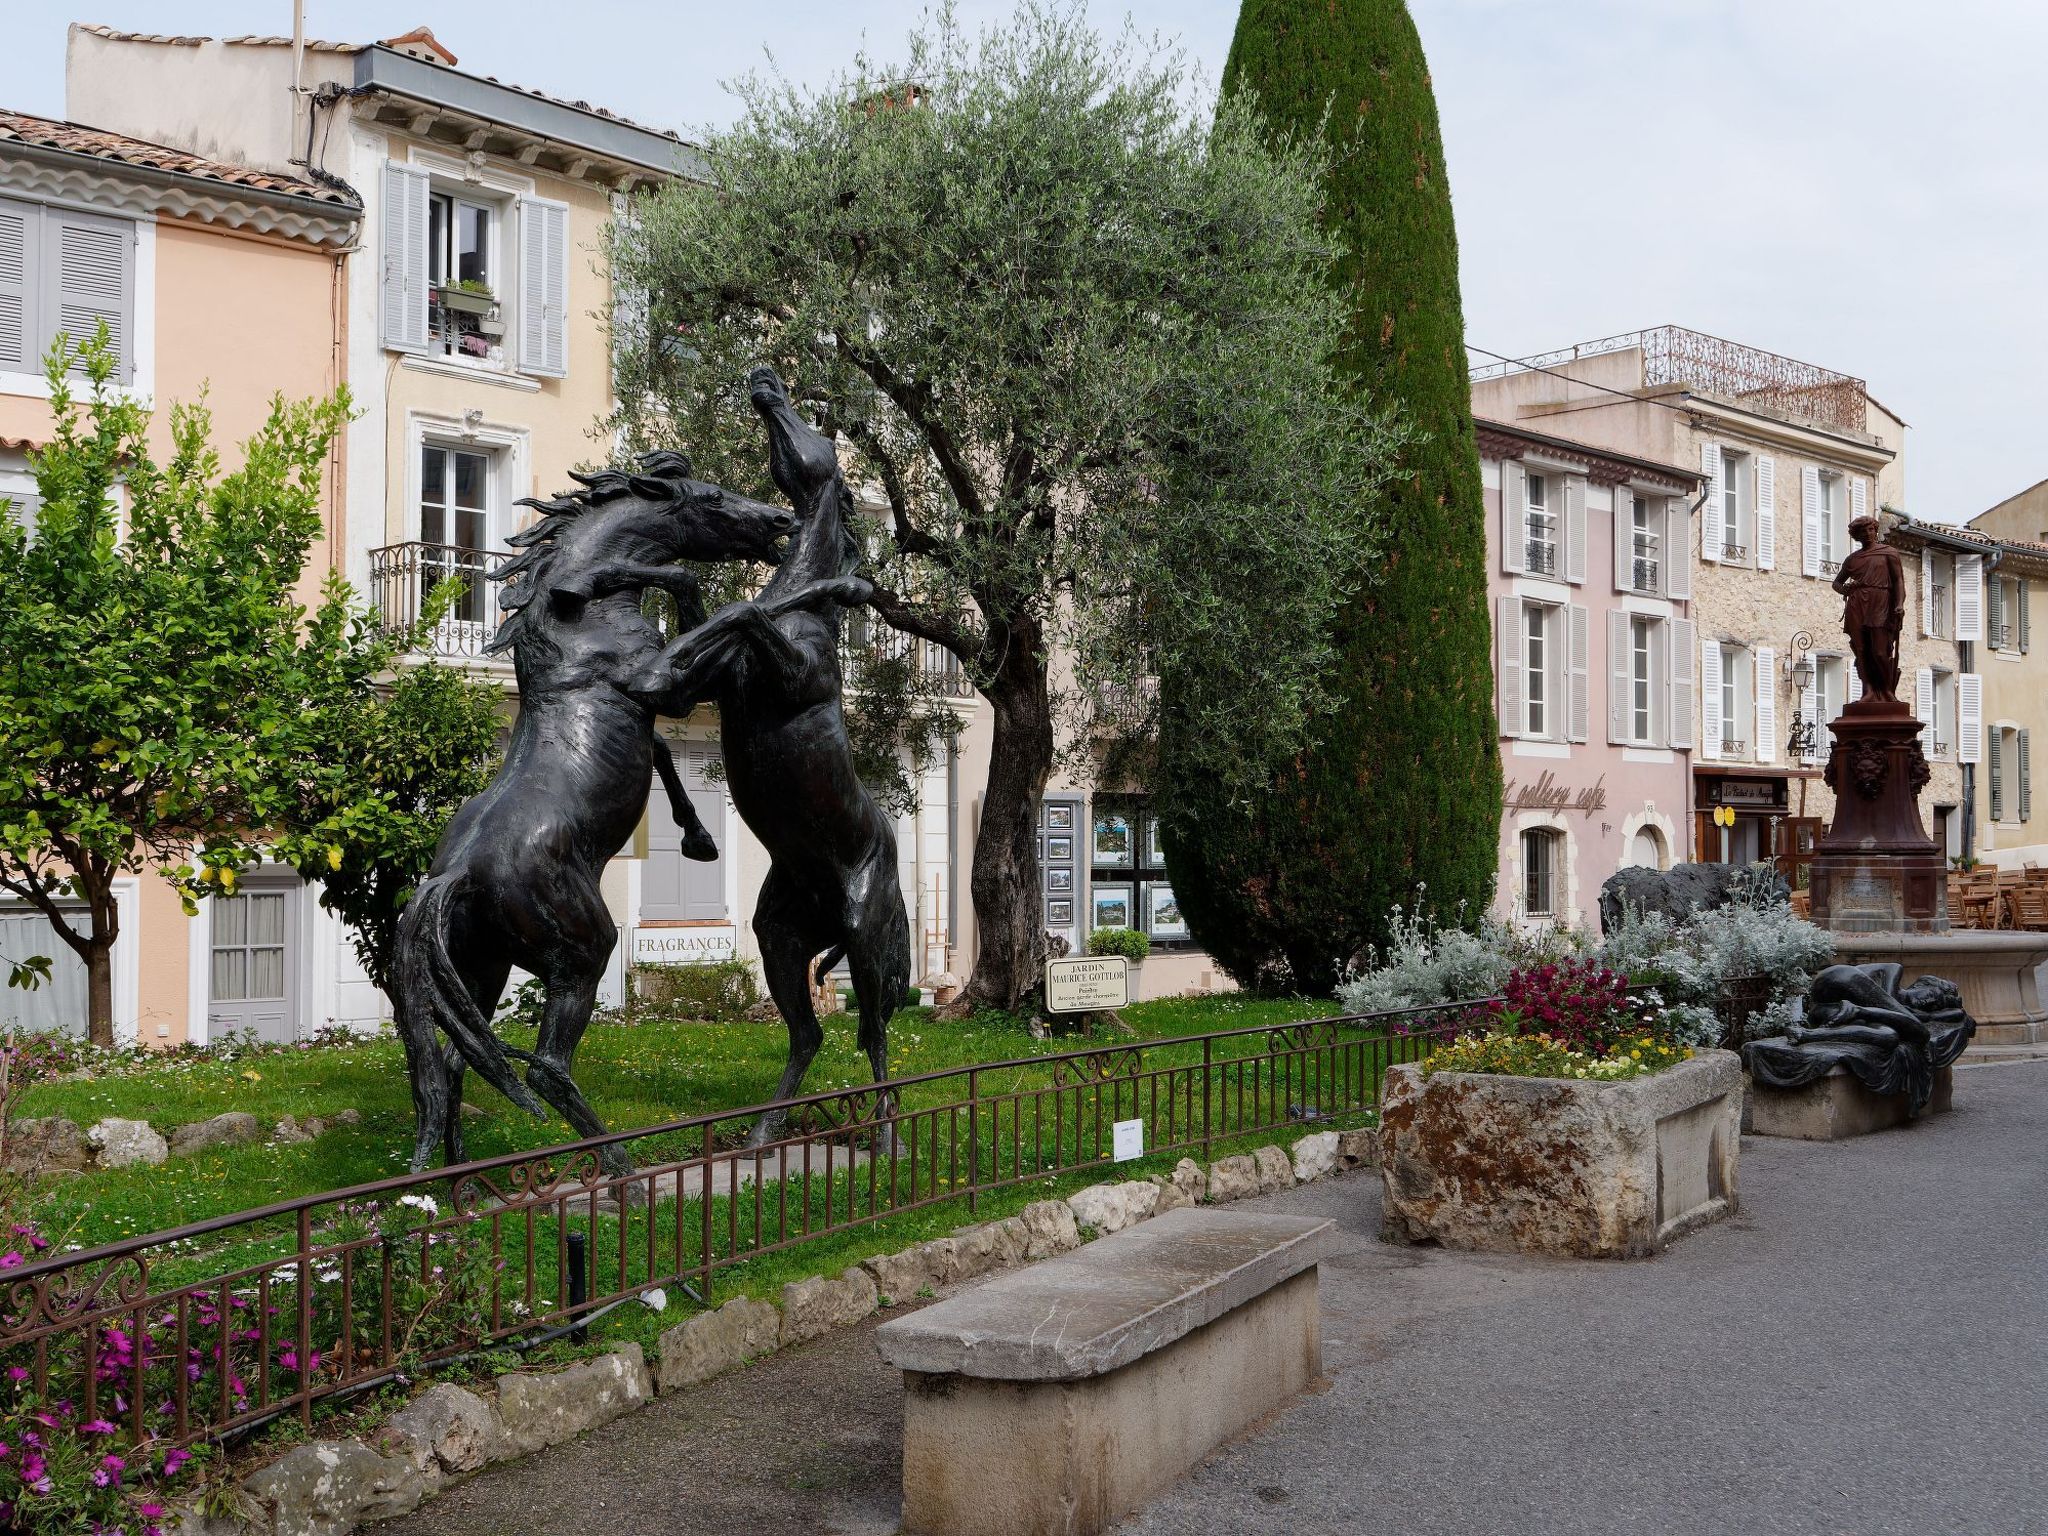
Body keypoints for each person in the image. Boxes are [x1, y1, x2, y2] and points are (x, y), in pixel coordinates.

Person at [1832, 515, 1905, 701]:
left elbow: (1898, 581)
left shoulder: (1889, 553)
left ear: (1876, 530)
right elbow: (1837, 583)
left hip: (1881, 602)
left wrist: (1898, 604)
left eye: (1871, 529)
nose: (1868, 533)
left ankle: (1887, 689)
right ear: (1857, 536)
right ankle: (1868, 690)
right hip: (1857, 604)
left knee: (1880, 651)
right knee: (1861, 650)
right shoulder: (1852, 560)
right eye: (1863, 531)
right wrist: (1845, 590)